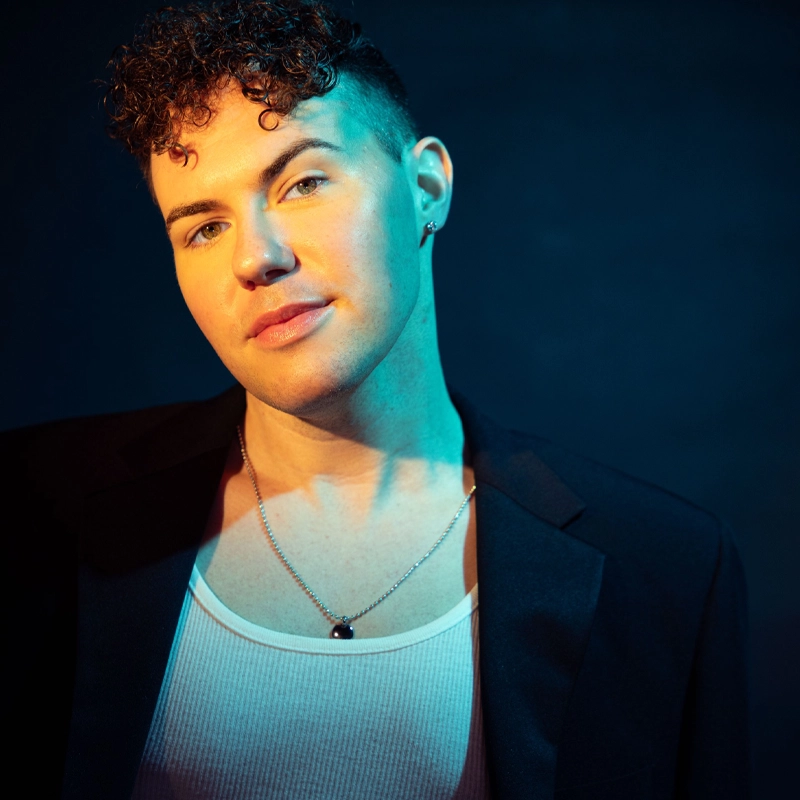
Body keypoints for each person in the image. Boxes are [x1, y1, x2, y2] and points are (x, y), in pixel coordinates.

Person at [5, 1, 750, 798]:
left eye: (304, 181)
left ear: (426, 186)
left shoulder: (663, 567)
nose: (256, 257)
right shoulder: (30, 509)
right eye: (202, 228)